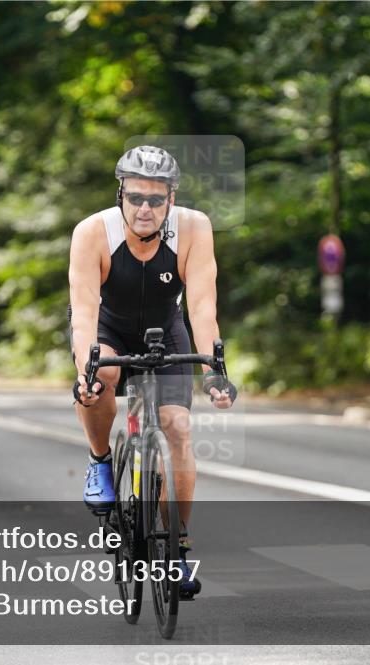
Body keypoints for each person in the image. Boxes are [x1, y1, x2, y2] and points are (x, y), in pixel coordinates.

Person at [67, 146, 237, 598]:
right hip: (108, 328)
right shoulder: (92, 233)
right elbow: (83, 314)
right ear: (120, 194)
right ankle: (101, 460)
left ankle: (178, 547)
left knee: (177, 426)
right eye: (136, 197)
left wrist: (215, 370)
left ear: (171, 200)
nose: (145, 209)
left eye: (156, 200)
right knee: (99, 378)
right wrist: (87, 370)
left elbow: (201, 307)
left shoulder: (194, 229)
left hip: (168, 329)